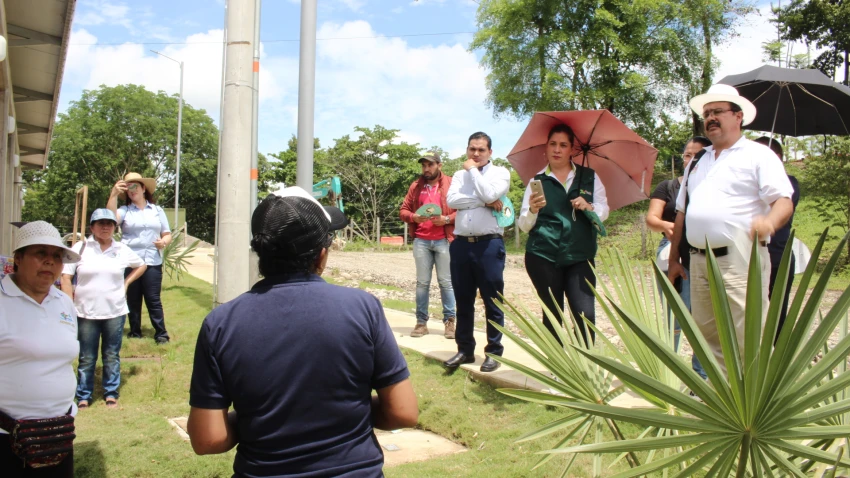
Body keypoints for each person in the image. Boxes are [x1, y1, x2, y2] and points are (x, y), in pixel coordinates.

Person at [188, 187, 418, 477]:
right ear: (321, 255)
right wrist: (344, 410)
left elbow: (208, 439)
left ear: (260, 253)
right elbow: (403, 412)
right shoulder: (362, 308)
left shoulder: (220, 323)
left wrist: (259, 419)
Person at [668, 84, 794, 375]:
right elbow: (682, 212)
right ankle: (724, 404)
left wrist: (770, 223)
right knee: (708, 336)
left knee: (748, 337)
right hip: (698, 261)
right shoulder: (698, 160)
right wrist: (675, 259)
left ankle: (758, 406)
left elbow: (783, 202)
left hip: (739, 259)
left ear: (738, 117)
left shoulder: (758, 155)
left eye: (717, 112)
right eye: (706, 113)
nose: (710, 118)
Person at [0, 221, 81, 477]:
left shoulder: (64, 303)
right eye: (40, 254)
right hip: (6, 437)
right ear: (19, 259)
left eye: (57, 256)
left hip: (59, 433)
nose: (50, 262)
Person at [517, 123, 609, 346]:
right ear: (546, 148)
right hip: (543, 256)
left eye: (563, 145)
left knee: (584, 313)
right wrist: (533, 209)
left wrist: (589, 207)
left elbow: (604, 210)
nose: (557, 149)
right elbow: (523, 225)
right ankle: (556, 372)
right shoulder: (536, 181)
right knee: (552, 314)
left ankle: (587, 370)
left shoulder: (589, 177)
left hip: (580, 255)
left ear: (572, 150)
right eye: (553, 144)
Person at [61, 209, 147, 409]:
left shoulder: (122, 249)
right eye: (100, 223)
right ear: (92, 227)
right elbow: (65, 276)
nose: (105, 227)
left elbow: (141, 265)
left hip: (114, 311)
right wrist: (68, 304)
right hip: (85, 312)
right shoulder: (81, 248)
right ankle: (83, 395)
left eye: (109, 224)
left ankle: (111, 393)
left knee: (111, 355)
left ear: (114, 228)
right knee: (87, 356)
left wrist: (126, 283)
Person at [444, 132, 511, 373]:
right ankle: (465, 350)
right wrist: (482, 201)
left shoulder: (501, 173)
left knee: (492, 300)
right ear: (467, 149)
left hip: (489, 244)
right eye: (472, 149)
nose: (475, 154)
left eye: (481, 150)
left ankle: (493, 352)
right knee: (463, 300)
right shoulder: (459, 175)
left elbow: (491, 194)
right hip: (461, 244)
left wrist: (474, 173)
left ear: (490, 152)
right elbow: (452, 201)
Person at [646, 137, 711, 378]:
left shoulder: (713, 186)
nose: (691, 159)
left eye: (698, 155)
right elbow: (652, 219)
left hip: (706, 252)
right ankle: (667, 375)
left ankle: (701, 377)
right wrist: (669, 226)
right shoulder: (669, 186)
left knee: (703, 319)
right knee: (673, 314)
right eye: (687, 155)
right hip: (671, 249)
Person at [107, 172, 172, 344]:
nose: (132, 190)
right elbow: (110, 219)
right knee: (133, 299)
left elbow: (167, 234)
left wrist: (163, 242)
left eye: (135, 186)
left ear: (144, 188)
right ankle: (135, 332)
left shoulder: (157, 211)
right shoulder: (124, 211)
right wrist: (113, 194)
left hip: (152, 260)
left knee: (153, 299)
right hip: (131, 262)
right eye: (128, 187)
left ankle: (161, 334)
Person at [399, 151, 457, 339]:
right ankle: (421, 323)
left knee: (446, 283)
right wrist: (413, 217)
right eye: (423, 165)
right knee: (422, 283)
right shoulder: (416, 186)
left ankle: (450, 322)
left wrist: (447, 219)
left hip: (444, 240)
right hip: (421, 240)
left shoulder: (451, 184)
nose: (426, 169)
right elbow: (403, 210)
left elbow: (463, 210)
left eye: (430, 165)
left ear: (439, 165)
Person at [754, 136, 800, 340]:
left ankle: (777, 360)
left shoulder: (789, 183)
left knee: (777, 311)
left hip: (778, 255)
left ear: (778, 158)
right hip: (749, 254)